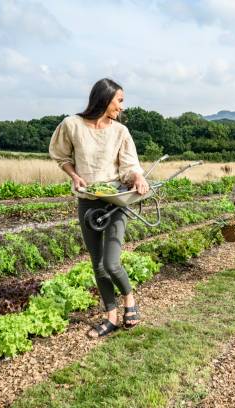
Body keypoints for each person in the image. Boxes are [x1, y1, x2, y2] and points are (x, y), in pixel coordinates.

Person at [49, 78, 149, 338]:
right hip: (88, 200)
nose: (122, 107)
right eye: (120, 100)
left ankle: (129, 299)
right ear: (105, 100)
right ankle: (111, 317)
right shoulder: (72, 125)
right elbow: (61, 156)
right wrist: (74, 175)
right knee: (98, 264)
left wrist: (137, 178)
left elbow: (129, 166)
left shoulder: (120, 132)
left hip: (115, 200)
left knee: (111, 262)